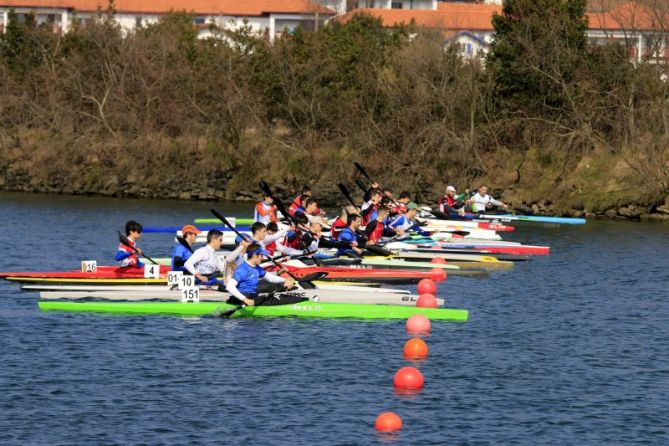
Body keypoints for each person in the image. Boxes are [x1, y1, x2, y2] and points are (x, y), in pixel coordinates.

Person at [226, 243, 295, 306]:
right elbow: (229, 286)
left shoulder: (257, 268)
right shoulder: (243, 269)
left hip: (253, 297)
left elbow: (269, 277)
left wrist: (285, 280)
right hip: (243, 299)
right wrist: (245, 299)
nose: (262, 258)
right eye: (261, 255)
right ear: (255, 255)